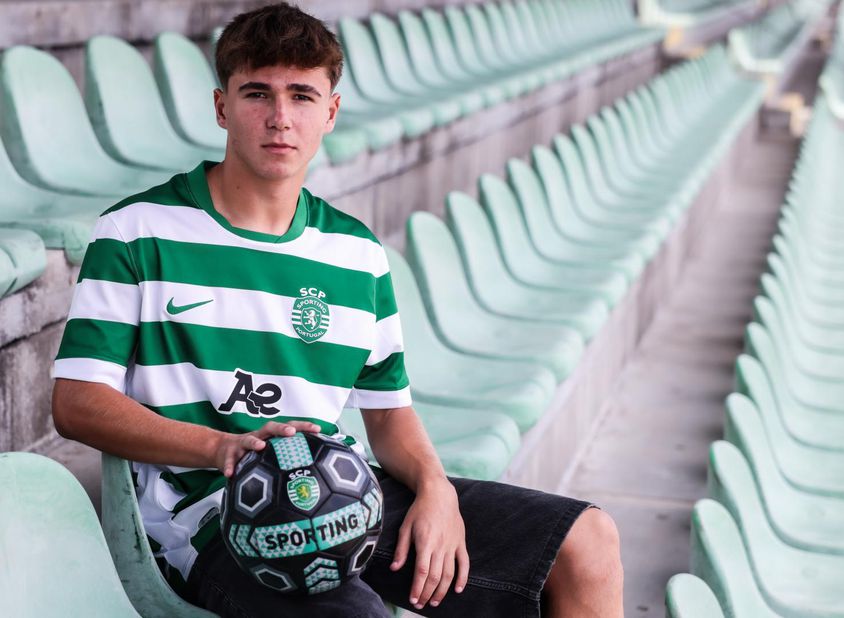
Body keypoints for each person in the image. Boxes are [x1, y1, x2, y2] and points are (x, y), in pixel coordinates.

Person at [51, 4, 623, 616]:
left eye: (301, 96)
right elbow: (76, 402)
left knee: (586, 543)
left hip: (340, 496)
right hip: (215, 521)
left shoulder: (356, 254)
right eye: (257, 94)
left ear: (331, 112)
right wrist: (220, 447)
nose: (280, 118)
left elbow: (389, 414)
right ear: (222, 107)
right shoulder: (137, 232)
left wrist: (437, 489)